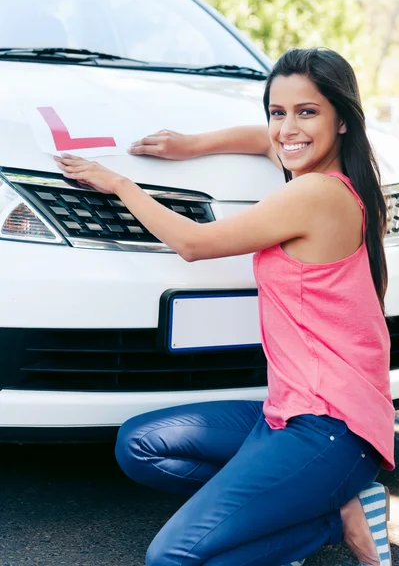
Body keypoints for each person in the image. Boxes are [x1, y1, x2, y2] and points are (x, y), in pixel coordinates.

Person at [55, 47, 395, 566]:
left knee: (172, 558)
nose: (287, 129)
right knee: (140, 444)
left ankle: (326, 515)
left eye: (308, 112)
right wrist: (191, 145)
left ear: (343, 120)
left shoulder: (317, 195)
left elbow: (194, 243)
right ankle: (329, 506)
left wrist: (119, 183)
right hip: (287, 413)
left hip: (331, 428)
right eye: (277, 111)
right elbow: (266, 140)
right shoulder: (339, 178)